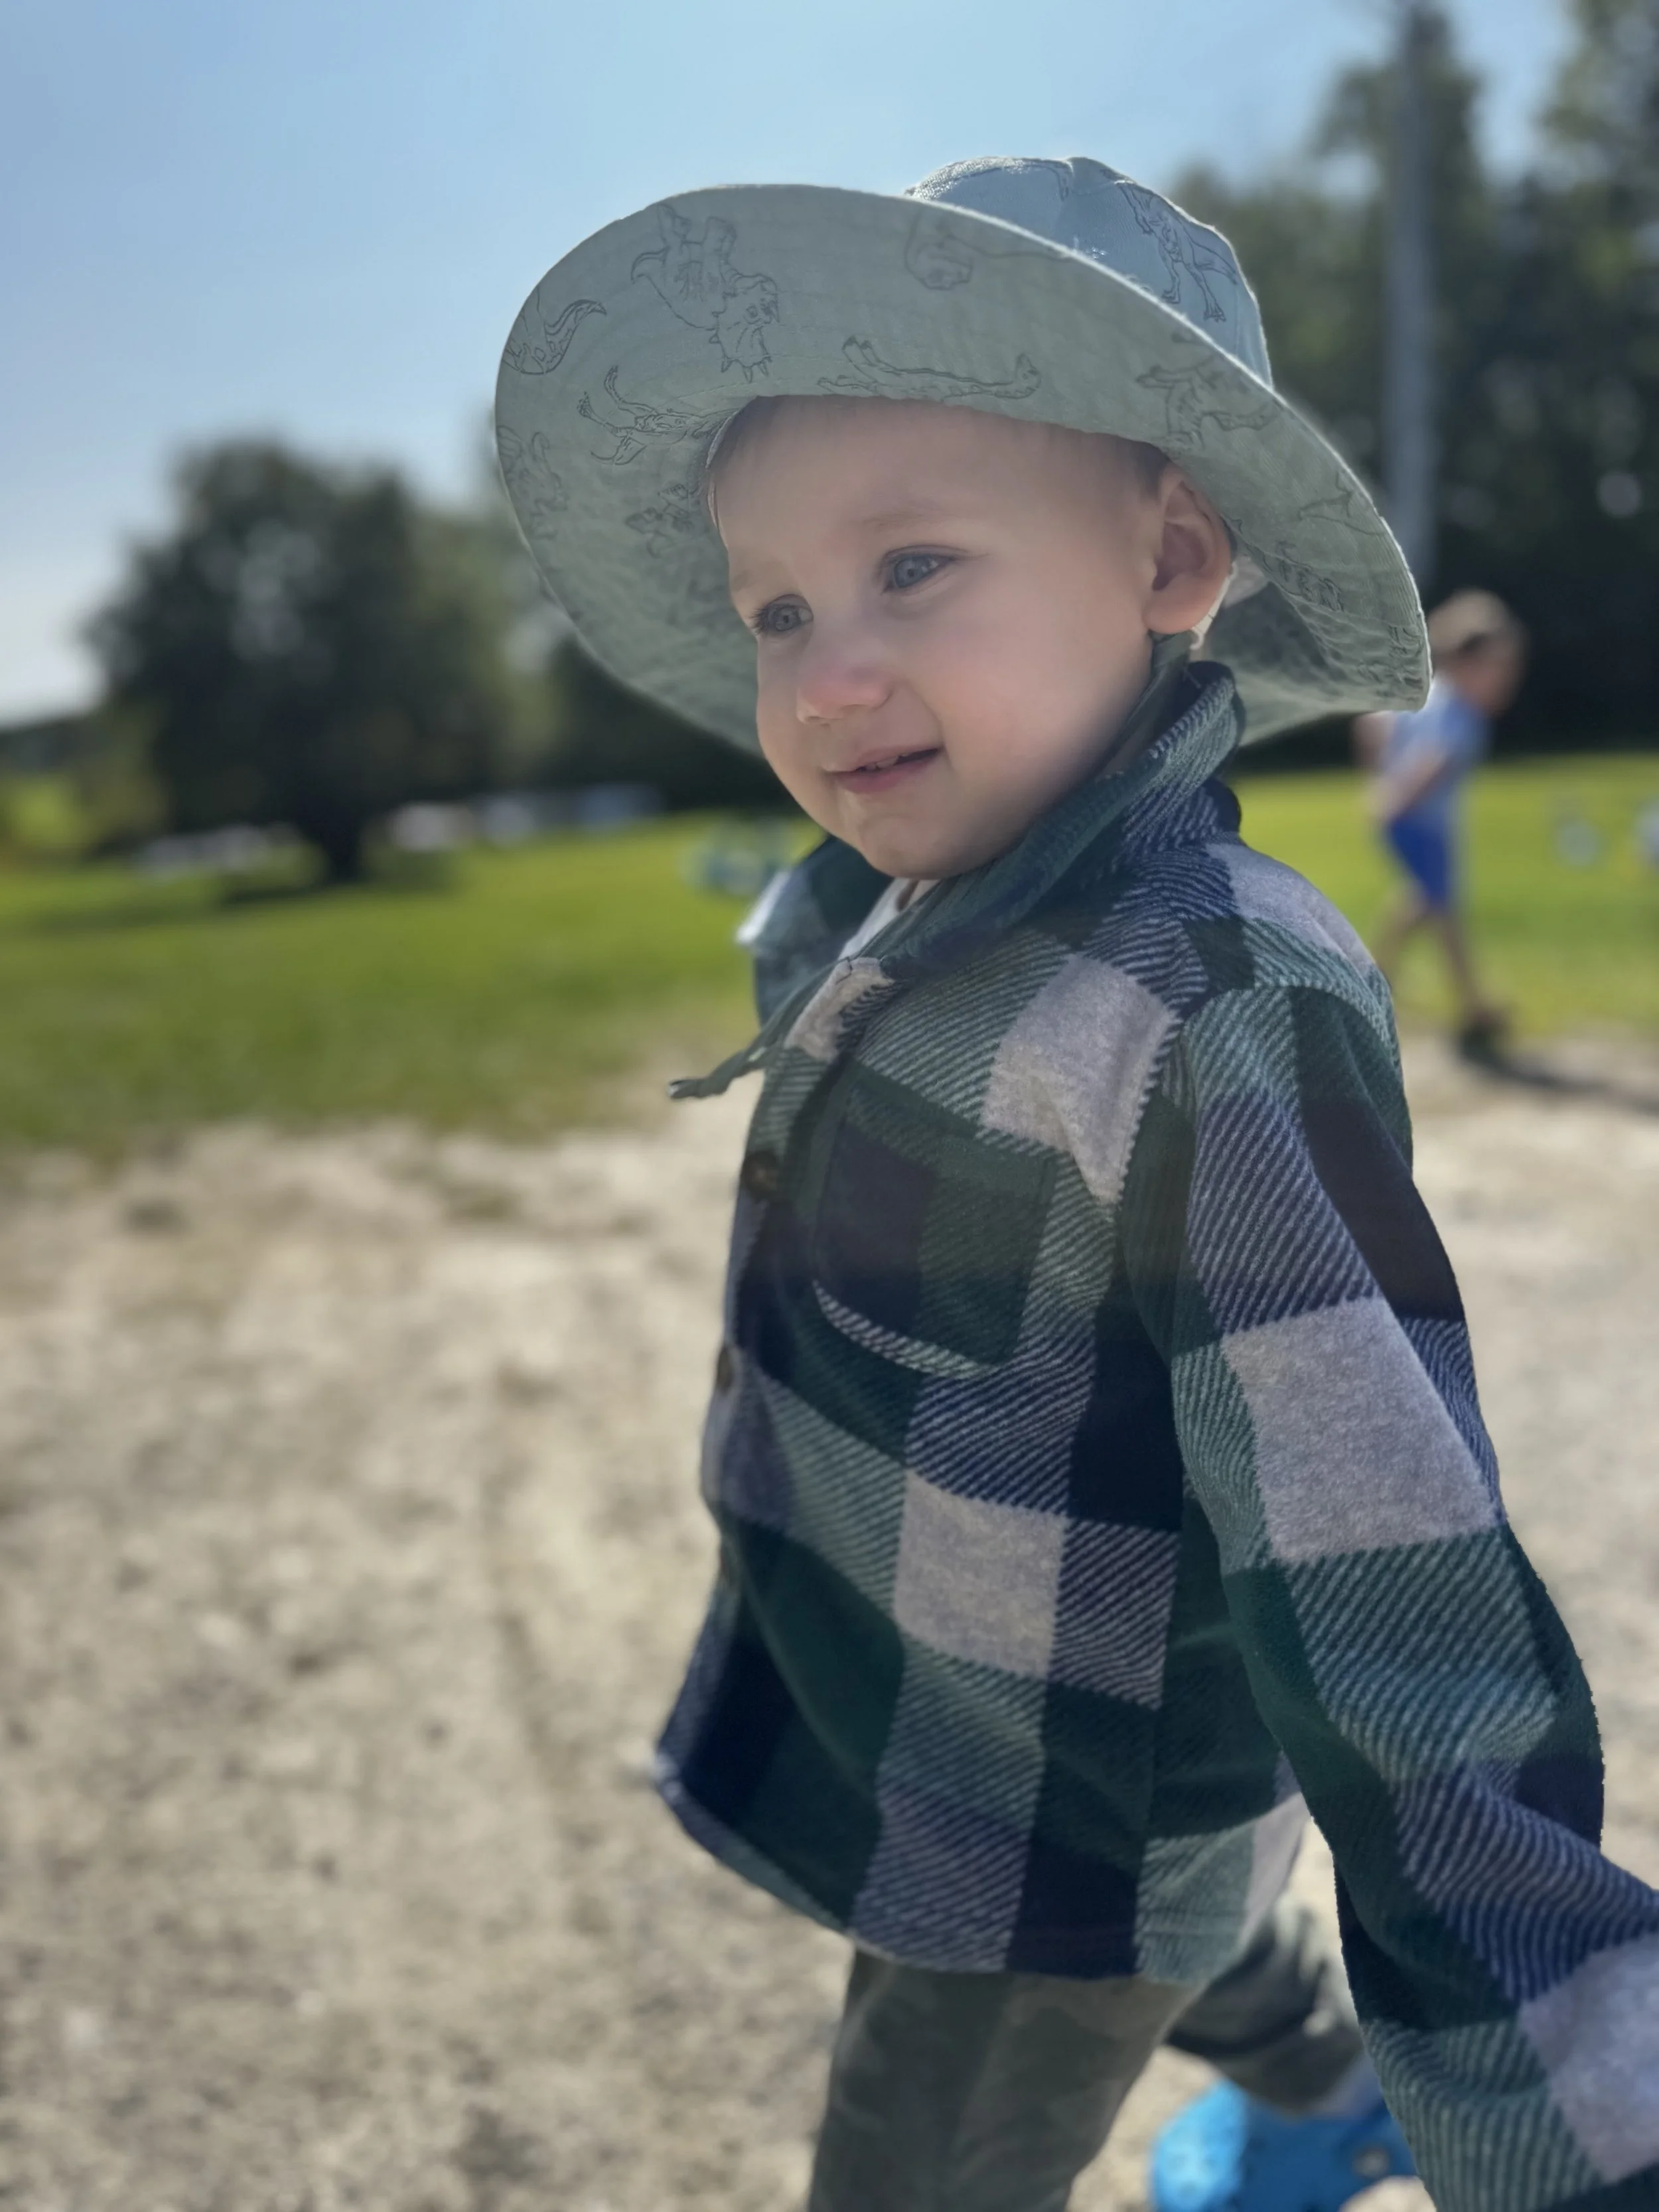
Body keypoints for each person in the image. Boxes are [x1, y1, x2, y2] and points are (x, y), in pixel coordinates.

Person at [496, 157, 1659, 2212]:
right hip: (956, 1663)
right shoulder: (911, 893)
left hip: (1044, 1808)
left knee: (926, 2144)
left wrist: (1575, 2114)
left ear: (1172, 556)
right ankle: (1318, 2088)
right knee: (1194, 1933)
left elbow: (1387, 1579)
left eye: (912, 565)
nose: (823, 669)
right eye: (777, 607)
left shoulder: (1205, 1001)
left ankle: (1380, 2083)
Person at [1354, 590, 1526, 1058]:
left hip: (1407, 820)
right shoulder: (1464, 716)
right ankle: (1474, 1008)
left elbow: (1372, 722)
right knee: (1445, 913)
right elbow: (1433, 762)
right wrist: (1398, 797)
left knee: (1422, 903)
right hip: (1419, 822)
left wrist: (1381, 783)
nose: (1507, 680)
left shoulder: (1430, 696)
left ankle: (1377, 979)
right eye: (1499, 667)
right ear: (1467, 663)